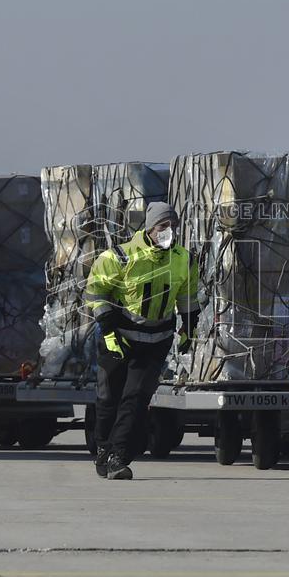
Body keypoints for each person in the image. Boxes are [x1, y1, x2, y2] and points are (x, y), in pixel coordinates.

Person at [84, 202, 199, 479]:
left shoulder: (184, 259)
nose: (168, 232)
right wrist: (109, 331)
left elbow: (187, 296)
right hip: (119, 338)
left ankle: (118, 457)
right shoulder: (120, 257)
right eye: (163, 227)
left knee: (135, 399)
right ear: (149, 228)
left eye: (173, 227)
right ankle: (103, 447)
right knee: (109, 398)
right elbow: (95, 292)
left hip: (156, 340)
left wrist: (189, 327)